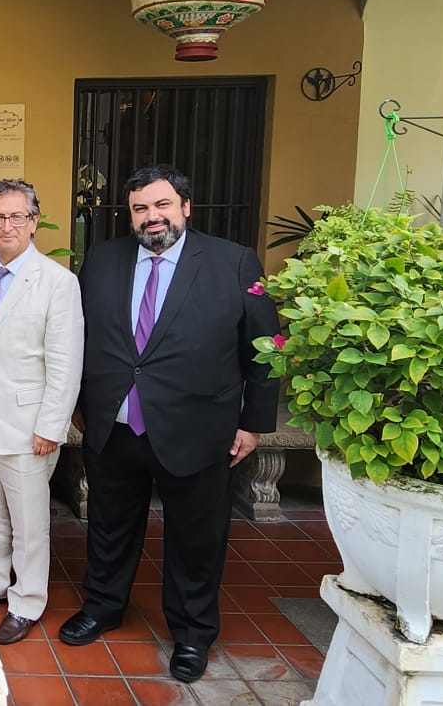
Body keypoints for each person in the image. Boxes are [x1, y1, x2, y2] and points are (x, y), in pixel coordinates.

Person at [58, 164, 280, 684]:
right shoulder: (103, 259)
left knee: (196, 538)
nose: (151, 218)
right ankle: (105, 606)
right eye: (140, 209)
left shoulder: (233, 262)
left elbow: (267, 349)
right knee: (108, 528)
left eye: (161, 206)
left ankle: (192, 632)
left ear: (185, 207)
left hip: (199, 431)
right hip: (115, 425)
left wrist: (254, 424)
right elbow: (83, 336)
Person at [0, 178, 85, 646]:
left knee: (29, 523)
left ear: (33, 221)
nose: (7, 225)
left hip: (28, 425)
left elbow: (66, 363)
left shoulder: (57, 282)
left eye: (17, 216)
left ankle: (27, 599)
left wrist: (52, 425)